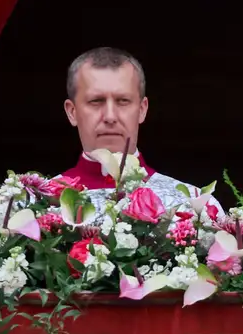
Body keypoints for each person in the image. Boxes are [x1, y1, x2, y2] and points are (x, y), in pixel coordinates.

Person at [60, 47, 218, 215]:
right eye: (96, 101)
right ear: (72, 112)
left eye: (123, 101)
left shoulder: (196, 207)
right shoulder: (37, 204)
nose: (110, 116)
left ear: (142, 110)